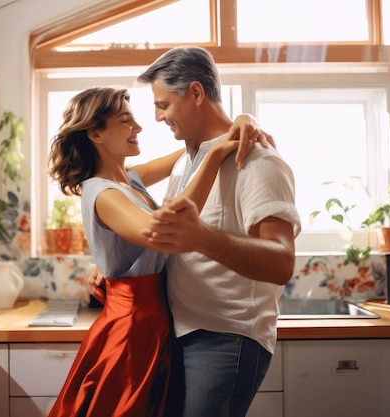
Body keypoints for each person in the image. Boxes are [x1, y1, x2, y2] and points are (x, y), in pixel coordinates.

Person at [46, 86, 269, 417]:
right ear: (95, 133)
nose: (138, 128)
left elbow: (195, 148)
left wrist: (243, 120)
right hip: (133, 326)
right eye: (126, 121)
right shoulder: (101, 192)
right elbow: (161, 234)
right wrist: (214, 156)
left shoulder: (128, 180)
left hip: (153, 319)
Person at [133, 46, 302, 417]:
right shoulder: (185, 161)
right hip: (184, 333)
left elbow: (281, 262)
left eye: (164, 105)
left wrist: (202, 238)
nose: (159, 117)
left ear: (195, 93)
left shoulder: (258, 162)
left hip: (228, 337)